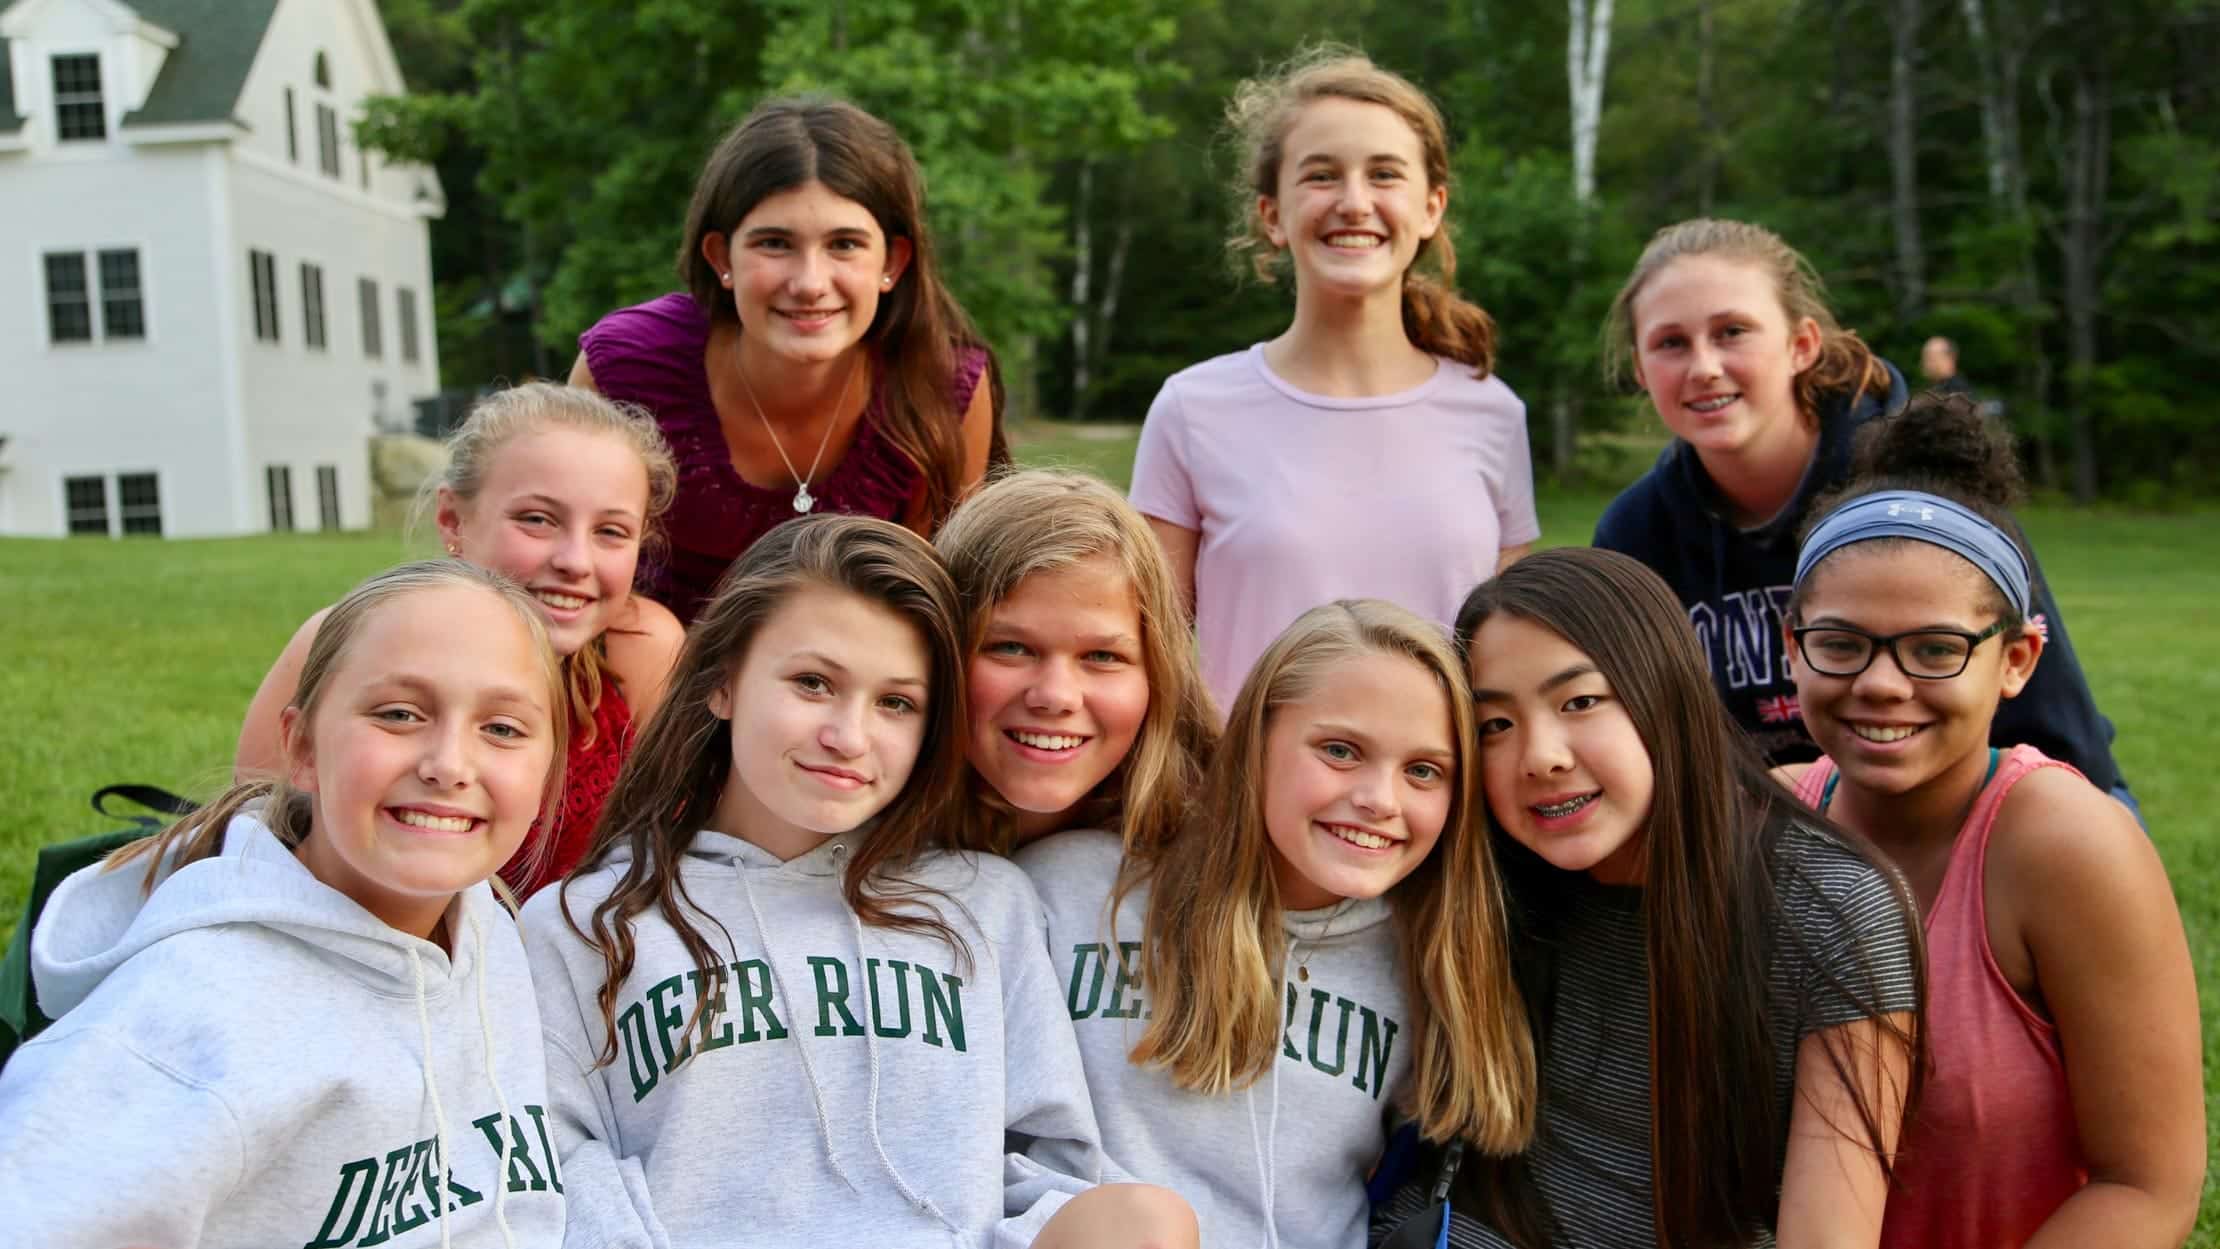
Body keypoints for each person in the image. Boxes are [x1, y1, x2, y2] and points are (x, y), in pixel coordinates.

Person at [519, 514, 1196, 1249]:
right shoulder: (583, 922)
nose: (849, 736)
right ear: (722, 679)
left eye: (895, 703)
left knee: (1148, 1222)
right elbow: (552, 1167)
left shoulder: (984, 904)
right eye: (813, 683)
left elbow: (1043, 1163)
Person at [0, 561, 568, 1246]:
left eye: (503, 728)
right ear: (300, 747)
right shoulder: (186, 1023)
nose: (449, 763)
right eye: (398, 713)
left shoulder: (486, 923)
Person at [1375, 547, 1921, 1248]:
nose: (1541, 755)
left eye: (1580, 701)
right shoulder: (1484, 876)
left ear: (1666, 691)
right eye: (1495, 725)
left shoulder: (1830, 907)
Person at [1781, 395, 2202, 1248]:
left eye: (1935, 649)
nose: (1882, 683)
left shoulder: (2065, 845)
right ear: (1792, 647)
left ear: (2017, 660)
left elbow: (2149, 1185)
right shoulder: (1775, 821)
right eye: (1842, 643)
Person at [1018, 599, 1535, 1249]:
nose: (1380, 799)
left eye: (1423, 770)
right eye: (1341, 750)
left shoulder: (1429, 959)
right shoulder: (1070, 890)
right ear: (1257, 740)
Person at [1592, 218, 2129, 804]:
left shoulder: (1923, 497)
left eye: (1732, 332)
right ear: (1642, 371)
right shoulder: (1635, 534)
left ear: (1802, 345)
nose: (1703, 367)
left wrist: (2090, 830)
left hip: (1958, 820)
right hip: (1748, 837)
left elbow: (2051, 721)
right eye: (1671, 343)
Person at [1129, 48, 1538, 714]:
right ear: (1271, 214)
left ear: (1431, 207)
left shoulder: (1493, 413)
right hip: (1249, 802)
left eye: (1384, 175)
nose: (1354, 202)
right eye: (1321, 175)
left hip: (1438, 805)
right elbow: (1150, 655)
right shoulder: (1191, 408)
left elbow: (1513, 660)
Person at [571, 96, 1002, 625]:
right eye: (775, 244)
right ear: (720, 257)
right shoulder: (628, 369)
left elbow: (939, 608)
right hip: (644, 677)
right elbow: (559, 559)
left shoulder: (941, 387)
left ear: (891, 262)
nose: (810, 284)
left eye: (844, 245)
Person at [238, 382, 680, 898]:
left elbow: (672, 853)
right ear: (452, 518)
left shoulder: (639, 651)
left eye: (610, 532)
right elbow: (253, 841)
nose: (575, 561)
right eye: (537, 520)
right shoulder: (352, 644)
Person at [933, 467, 1217, 854]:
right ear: (940, 648)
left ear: (1158, 674)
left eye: (1102, 656)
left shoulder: (1221, 847)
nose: (1056, 696)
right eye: (1011, 648)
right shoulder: (848, 829)